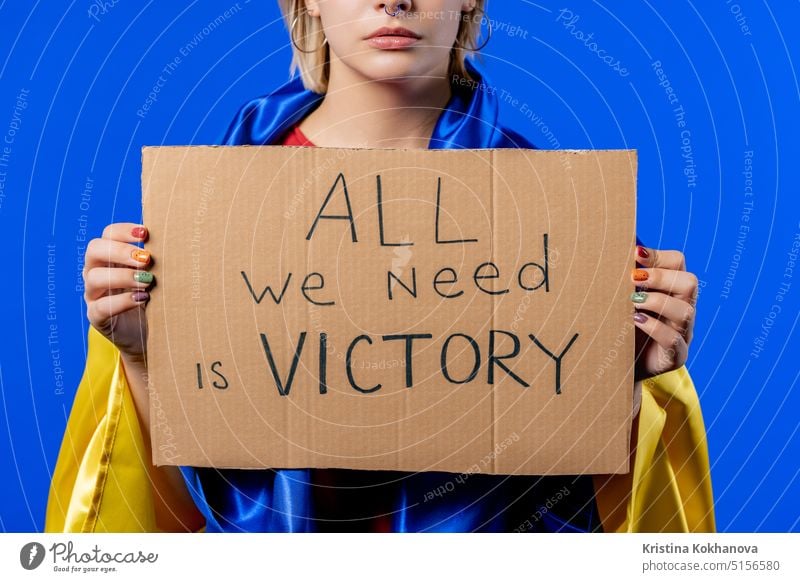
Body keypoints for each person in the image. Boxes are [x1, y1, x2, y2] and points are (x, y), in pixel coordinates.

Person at [46, 0, 715, 533]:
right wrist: (140, 358)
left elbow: (596, 513)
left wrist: (623, 386)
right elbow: (160, 512)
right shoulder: (201, 213)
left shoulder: (558, 223)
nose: (393, 0)